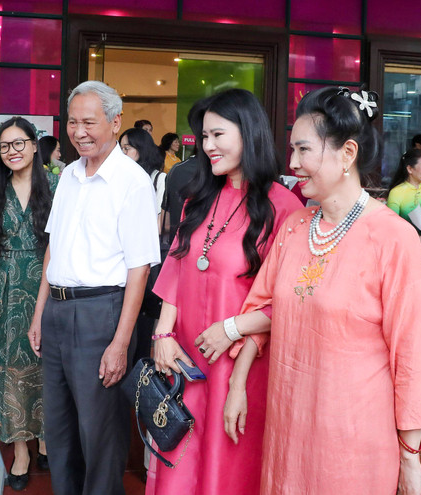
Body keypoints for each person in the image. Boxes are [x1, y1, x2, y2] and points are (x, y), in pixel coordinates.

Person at [195, 87, 421, 494]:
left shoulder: (391, 237)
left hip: (353, 441)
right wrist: (237, 386)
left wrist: (410, 454)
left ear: (347, 154)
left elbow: (412, 352)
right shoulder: (294, 228)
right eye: (291, 150)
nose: (292, 164)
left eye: (303, 150)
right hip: (287, 430)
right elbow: (264, 310)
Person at [147, 89, 301, 495]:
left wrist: (230, 332)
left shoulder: (282, 208)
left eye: (218, 135)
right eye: (204, 136)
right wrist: (162, 334)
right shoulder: (197, 197)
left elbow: (282, 303)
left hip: (239, 364)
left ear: (248, 134)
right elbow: (177, 266)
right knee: (179, 466)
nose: (207, 146)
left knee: (227, 469)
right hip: (185, 361)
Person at [28, 81, 160, 495]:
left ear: (115, 122)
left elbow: (139, 269)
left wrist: (121, 342)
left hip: (102, 313)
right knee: (60, 429)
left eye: (89, 122)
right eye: (72, 122)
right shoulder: (68, 174)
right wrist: (38, 314)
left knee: (100, 434)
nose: (79, 131)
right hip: (58, 313)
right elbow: (54, 247)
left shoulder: (132, 182)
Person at [0, 117, 58, 491]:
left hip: (48, 289)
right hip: (6, 295)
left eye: (19, 143)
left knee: (46, 369)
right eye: (4, 146)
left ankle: (45, 437)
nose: (12, 152)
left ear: (34, 143)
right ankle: (22, 450)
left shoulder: (58, 185)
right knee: (10, 374)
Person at [119, 127, 168, 364]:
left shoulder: (158, 179)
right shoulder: (119, 178)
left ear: (141, 149)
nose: (121, 153)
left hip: (146, 260)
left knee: (143, 320)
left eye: (126, 148)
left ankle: (138, 379)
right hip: (123, 263)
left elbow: (156, 224)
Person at [386, 148, 421, 348]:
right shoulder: (397, 193)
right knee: (410, 303)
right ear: (410, 169)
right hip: (407, 256)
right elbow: (390, 228)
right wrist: (418, 239)